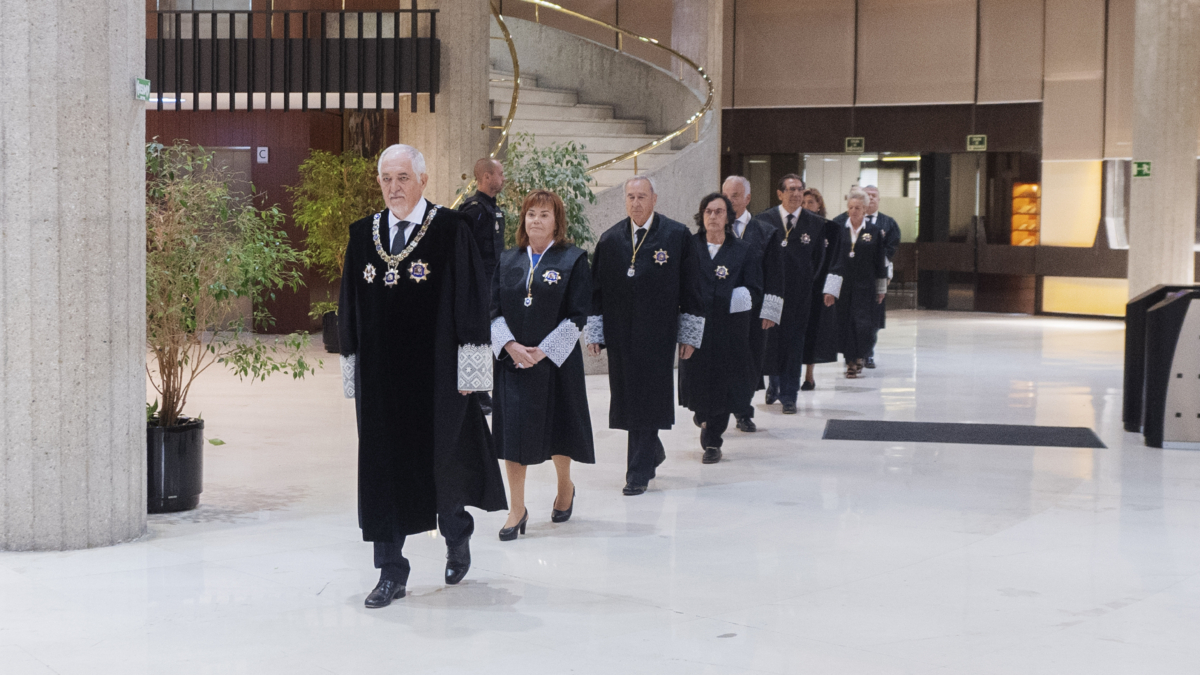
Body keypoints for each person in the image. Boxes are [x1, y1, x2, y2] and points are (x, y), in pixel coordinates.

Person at [338, 144, 507, 609]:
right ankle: (391, 571)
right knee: (382, 471)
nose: (394, 188)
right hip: (381, 383)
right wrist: (351, 365)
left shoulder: (451, 231)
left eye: (403, 178)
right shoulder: (361, 235)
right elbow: (348, 306)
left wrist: (473, 369)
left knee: (443, 464)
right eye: (387, 179)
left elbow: (473, 298)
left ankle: (456, 532)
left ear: (423, 180)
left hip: (438, 378)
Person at [585, 175, 705, 495]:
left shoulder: (677, 236)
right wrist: (595, 331)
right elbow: (595, 293)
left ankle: (637, 472)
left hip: (658, 334)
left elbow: (692, 288)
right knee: (628, 398)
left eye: (642, 197)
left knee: (649, 396)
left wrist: (690, 334)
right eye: (630, 197)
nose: (636, 203)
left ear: (655, 199)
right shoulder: (610, 240)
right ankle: (652, 451)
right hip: (621, 333)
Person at [489, 190, 594, 540]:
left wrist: (543, 352)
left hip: (556, 364)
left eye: (544, 214)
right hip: (513, 364)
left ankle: (565, 487)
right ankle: (516, 508)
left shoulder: (574, 260)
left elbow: (578, 315)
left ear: (557, 221)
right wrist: (510, 345)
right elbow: (491, 312)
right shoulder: (506, 261)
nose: (536, 220)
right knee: (512, 436)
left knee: (559, 431)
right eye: (531, 214)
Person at [678, 194, 763, 464]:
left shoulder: (743, 250)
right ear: (701, 216)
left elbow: (754, 288)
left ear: (728, 217)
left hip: (729, 331)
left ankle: (713, 442)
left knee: (723, 388)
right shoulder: (689, 247)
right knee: (700, 389)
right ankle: (703, 417)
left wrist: (727, 298)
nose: (713, 216)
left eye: (719, 211)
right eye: (708, 211)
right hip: (697, 331)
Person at [757, 174, 825, 414]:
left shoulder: (815, 223)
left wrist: (807, 283)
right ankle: (773, 384)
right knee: (772, 343)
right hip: (770, 295)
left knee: (794, 344)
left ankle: (789, 396)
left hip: (800, 295)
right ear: (780, 193)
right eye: (791, 189)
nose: (796, 193)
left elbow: (819, 261)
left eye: (800, 189)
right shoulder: (764, 220)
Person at [721, 176, 783, 433]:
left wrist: (770, 310)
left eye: (735, 195)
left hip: (754, 312)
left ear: (747, 199)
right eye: (725, 194)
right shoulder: (715, 229)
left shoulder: (765, 232)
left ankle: (743, 411)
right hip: (723, 311)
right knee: (723, 361)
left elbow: (776, 274)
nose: (729, 200)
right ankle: (716, 410)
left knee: (750, 361)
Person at [459, 157, 507, 414]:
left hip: (494, 283)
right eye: (500, 173)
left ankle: (484, 390)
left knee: (489, 337)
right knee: (477, 337)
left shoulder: (493, 208)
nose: (503, 178)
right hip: (477, 286)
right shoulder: (474, 210)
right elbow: (463, 250)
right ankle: (477, 393)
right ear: (486, 177)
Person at [823, 189, 888, 378]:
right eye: (851, 207)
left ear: (865, 209)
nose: (854, 211)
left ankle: (862, 354)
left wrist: (881, 288)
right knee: (845, 323)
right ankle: (850, 360)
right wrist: (830, 290)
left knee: (864, 324)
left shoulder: (874, 232)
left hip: (866, 286)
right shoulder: (839, 229)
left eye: (858, 208)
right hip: (843, 286)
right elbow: (833, 261)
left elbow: (880, 261)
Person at [800, 187, 841, 390]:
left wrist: (831, 288)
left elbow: (836, 260)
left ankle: (809, 376)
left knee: (814, 331)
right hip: (798, 286)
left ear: (819, 205)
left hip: (820, 287)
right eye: (804, 202)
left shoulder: (830, 229)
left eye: (811, 203)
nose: (807, 206)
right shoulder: (796, 226)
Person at [861, 185, 900, 369]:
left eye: (874, 195)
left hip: (878, 275)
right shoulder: (850, 220)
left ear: (879, 199)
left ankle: (868, 353)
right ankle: (853, 355)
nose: (871, 198)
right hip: (856, 275)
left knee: (873, 317)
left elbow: (890, 248)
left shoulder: (888, 223)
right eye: (867, 195)